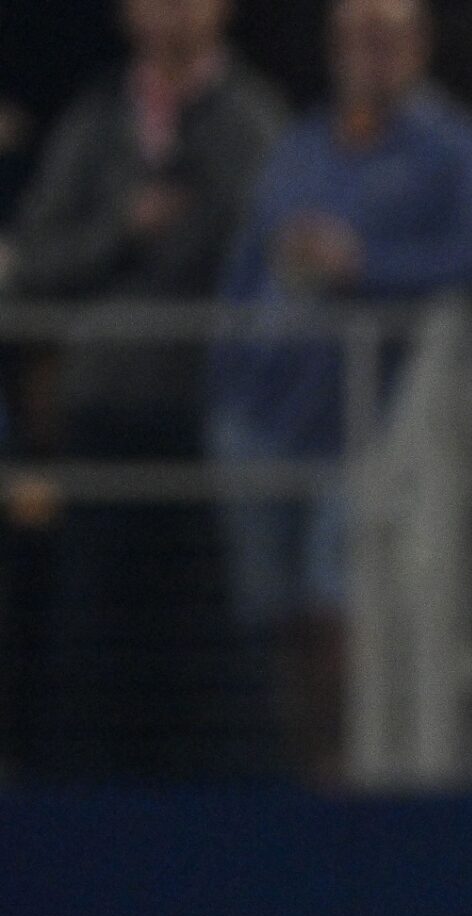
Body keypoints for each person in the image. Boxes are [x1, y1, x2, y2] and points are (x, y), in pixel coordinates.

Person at [210, 0, 472, 780]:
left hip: (373, 420)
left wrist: (361, 265)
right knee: (278, 619)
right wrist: (228, 372)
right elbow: (250, 263)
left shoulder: (455, 151)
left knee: (340, 606)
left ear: (420, 46)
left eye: (387, 37)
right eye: (354, 38)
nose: (369, 54)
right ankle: (296, 775)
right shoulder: (300, 145)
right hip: (269, 416)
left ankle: (345, 775)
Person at [3, 0, 284, 775]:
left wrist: (173, 242)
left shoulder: (250, 123)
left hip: (208, 422)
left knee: (205, 643)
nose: (171, 14)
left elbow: (258, 260)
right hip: (100, 419)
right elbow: (37, 264)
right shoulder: (95, 122)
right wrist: (124, 231)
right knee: (94, 638)